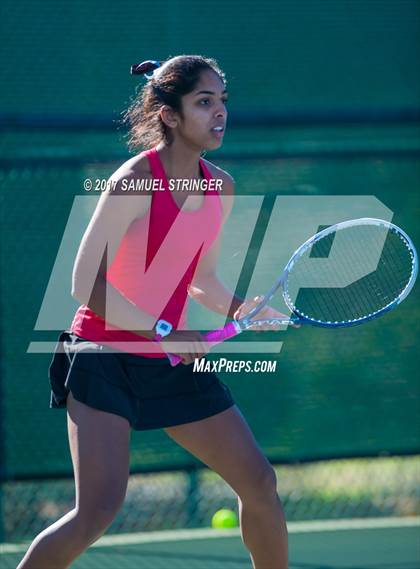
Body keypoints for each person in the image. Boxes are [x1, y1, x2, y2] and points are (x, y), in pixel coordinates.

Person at [17, 55, 289, 569]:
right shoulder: (135, 179)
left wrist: (238, 306)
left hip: (168, 360)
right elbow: (82, 284)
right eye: (203, 102)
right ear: (169, 114)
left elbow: (199, 277)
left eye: (222, 101)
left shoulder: (219, 187)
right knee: (97, 509)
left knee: (259, 482)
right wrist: (164, 329)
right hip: (103, 355)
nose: (219, 114)